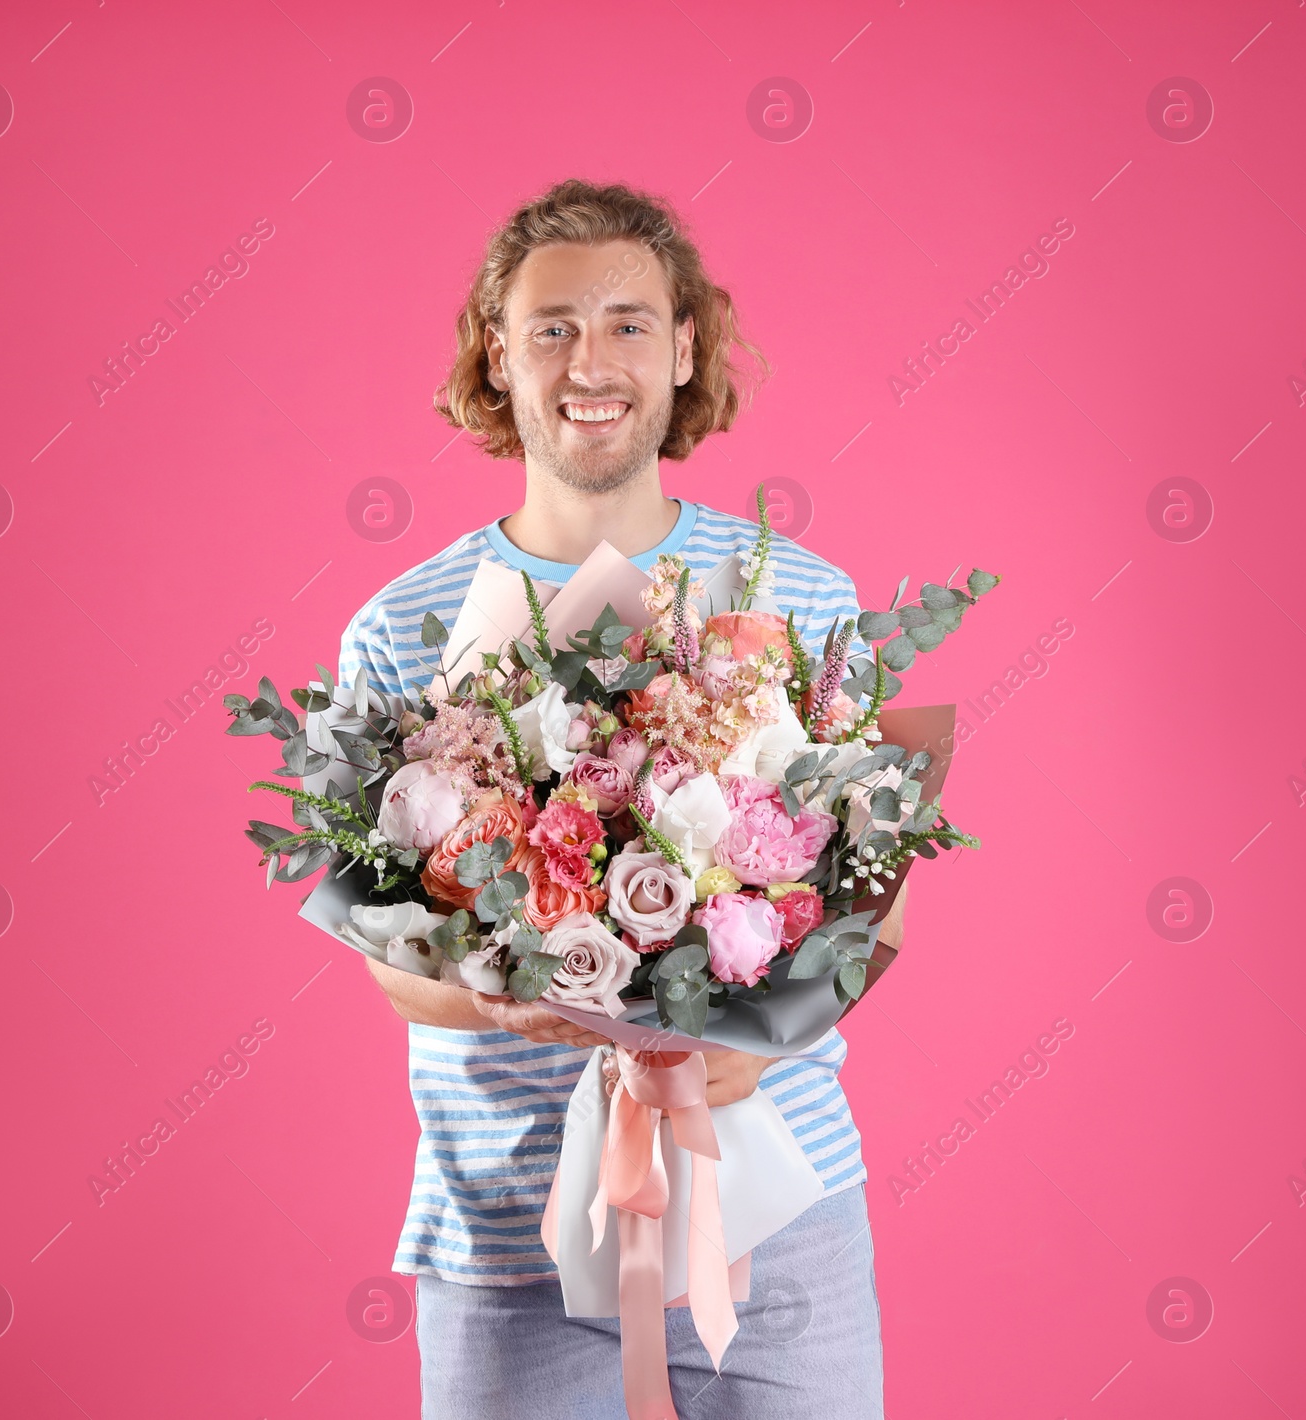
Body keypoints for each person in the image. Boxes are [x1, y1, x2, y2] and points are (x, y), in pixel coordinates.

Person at [339, 178, 903, 1419]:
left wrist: (754, 1043)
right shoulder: (398, 630)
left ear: (685, 345)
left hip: (777, 1215)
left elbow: (879, 912)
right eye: (550, 327)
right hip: (504, 1231)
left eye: (629, 323)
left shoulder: (801, 600)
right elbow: (386, 948)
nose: (589, 360)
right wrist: (511, 1009)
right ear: (497, 353)